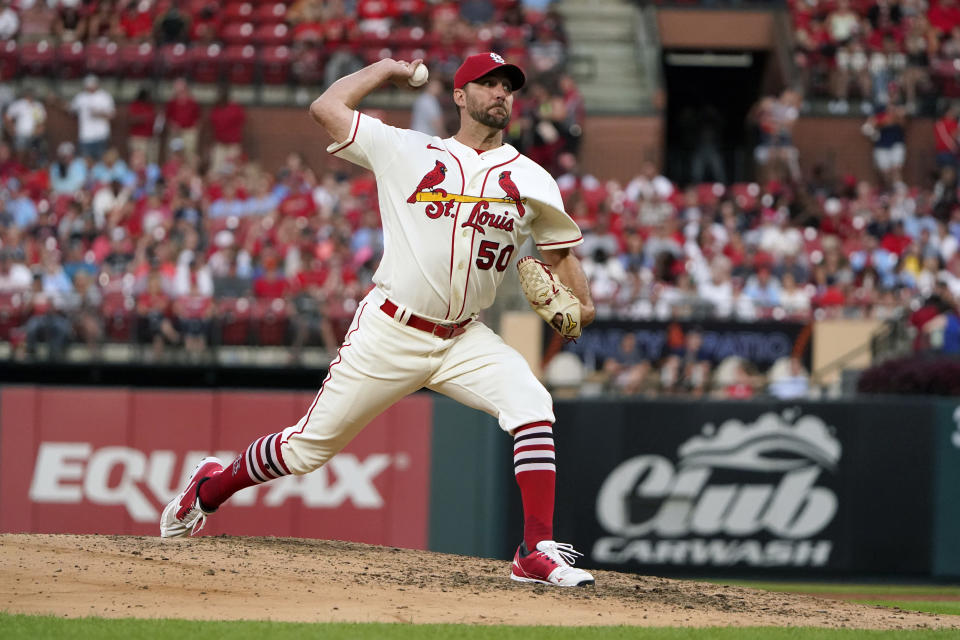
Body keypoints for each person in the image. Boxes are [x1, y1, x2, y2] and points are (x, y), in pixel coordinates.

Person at [160, 52, 598, 588]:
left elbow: (560, 254)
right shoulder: (408, 150)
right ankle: (208, 488)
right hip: (392, 329)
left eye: (507, 85)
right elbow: (327, 107)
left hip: (464, 337)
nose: (500, 93)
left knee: (532, 404)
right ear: (459, 97)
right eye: (487, 84)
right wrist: (387, 70)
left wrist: (584, 306)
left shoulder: (532, 179)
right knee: (305, 450)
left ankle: (534, 550)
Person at [70, 75, 115, 161]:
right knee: (86, 162)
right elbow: (71, 109)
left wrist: (98, 113)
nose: (90, 87)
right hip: (85, 137)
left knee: (101, 162)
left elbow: (112, 115)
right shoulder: (81, 97)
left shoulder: (104, 96)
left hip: (101, 136)